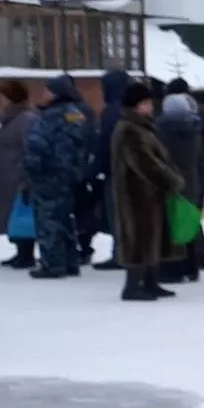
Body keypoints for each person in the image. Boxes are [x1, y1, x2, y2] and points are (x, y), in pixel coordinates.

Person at [110, 82, 185, 303]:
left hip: (151, 193)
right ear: (135, 106)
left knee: (153, 236)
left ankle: (151, 282)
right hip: (136, 194)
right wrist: (171, 180)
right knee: (138, 238)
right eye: (145, 103)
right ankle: (132, 286)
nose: (150, 107)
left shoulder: (144, 127)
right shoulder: (129, 129)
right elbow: (145, 163)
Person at [22, 76, 93, 280]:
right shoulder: (76, 114)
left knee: (48, 218)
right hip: (69, 174)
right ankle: (70, 260)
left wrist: (31, 172)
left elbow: (36, 146)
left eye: (47, 91)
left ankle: (52, 263)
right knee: (64, 217)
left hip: (48, 174)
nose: (44, 95)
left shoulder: (47, 118)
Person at [156, 87, 204, 283]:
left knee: (171, 226)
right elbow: (201, 160)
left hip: (171, 182)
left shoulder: (163, 131)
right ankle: (192, 266)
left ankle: (173, 269)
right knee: (188, 224)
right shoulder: (194, 129)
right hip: (192, 182)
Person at [0, 80, 36, 269]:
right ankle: (20, 250)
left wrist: (24, 171)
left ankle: (26, 252)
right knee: (12, 213)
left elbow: (29, 146)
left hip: (17, 174)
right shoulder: (11, 117)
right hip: (7, 174)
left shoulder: (25, 119)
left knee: (21, 213)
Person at [88, 68, 130, 268]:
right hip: (132, 169)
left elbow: (106, 143)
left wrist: (94, 170)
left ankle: (120, 253)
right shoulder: (131, 107)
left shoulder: (112, 111)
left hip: (116, 170)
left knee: (117, 213)